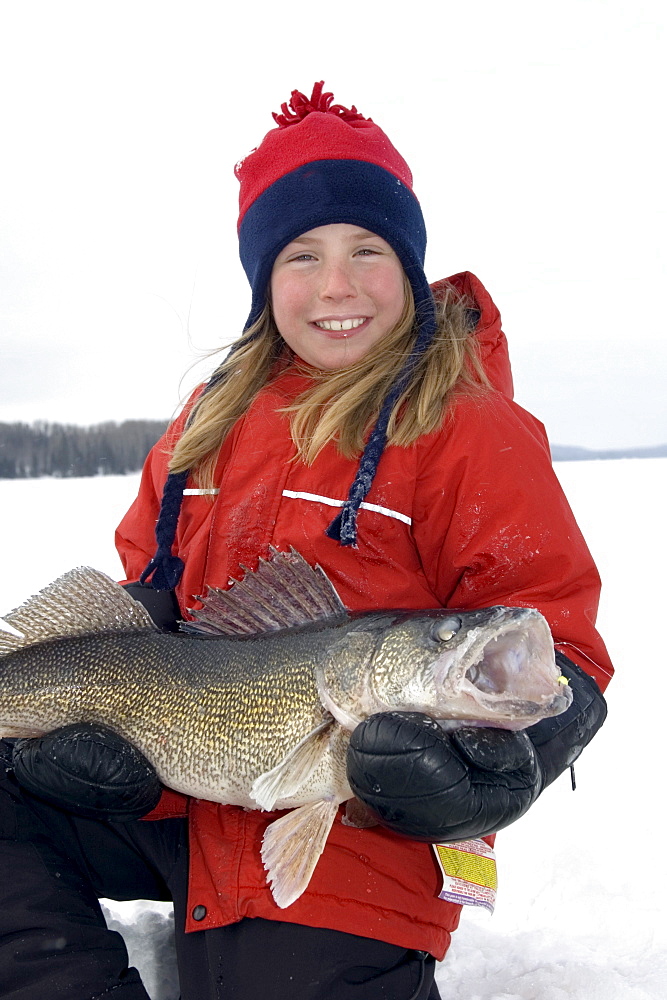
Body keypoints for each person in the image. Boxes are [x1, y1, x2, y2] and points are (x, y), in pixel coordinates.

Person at [0, 82, 612, 1000]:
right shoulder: (202, 427)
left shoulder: (468, 429)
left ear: (407, 266)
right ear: (262, 280)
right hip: (177, 795)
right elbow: (142, 599)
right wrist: (102, 727)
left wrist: (505, 767)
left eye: (368, 250)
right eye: (301, 254)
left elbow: (561, 644)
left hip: (365, 829)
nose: (337, 284)